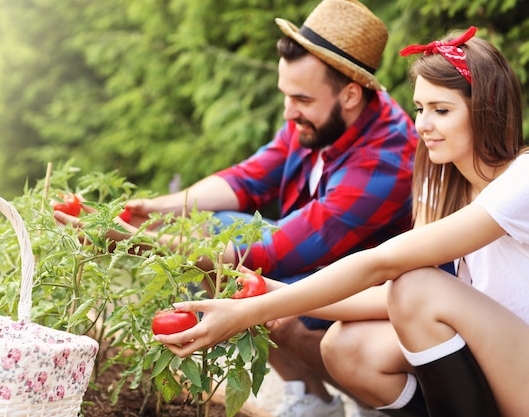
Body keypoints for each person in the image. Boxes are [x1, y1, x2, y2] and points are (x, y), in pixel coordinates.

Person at [56, 1, 417, 415]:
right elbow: (247, 178)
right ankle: (311, 399)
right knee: (220, 230)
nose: (288, 112)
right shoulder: (324, 117)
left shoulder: (387, 160)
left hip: (372, 303)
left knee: (253, 280)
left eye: (300, 99)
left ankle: (369, 403)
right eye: (286, 96)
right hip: (329, 274)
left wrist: (140, 242)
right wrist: (154, 209)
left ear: (350, 94)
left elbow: (275, 250)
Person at [154, 26, 529, 417]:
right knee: (345, 347)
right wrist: (269, 289)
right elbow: (392, 296)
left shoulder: (521, 181)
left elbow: (383, 265)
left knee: (417, 284)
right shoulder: (441, 185)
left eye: (442, 110)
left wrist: (249, 313)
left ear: (486, 107)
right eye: (420, 108)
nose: (423, 125)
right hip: (490, 357)